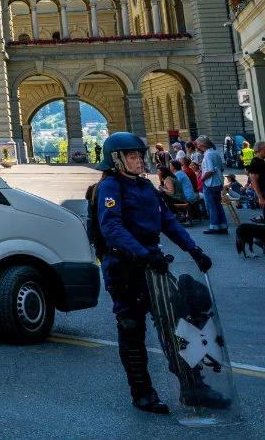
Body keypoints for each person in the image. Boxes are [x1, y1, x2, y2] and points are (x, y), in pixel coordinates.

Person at [91, 132, 216, 415]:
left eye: (139, 155)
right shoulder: (110, 188)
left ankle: (192, 388)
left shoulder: (146, 188)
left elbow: (168, 221)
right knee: (132, 330)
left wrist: (194, 250)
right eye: (132, 156)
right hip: (124, 269)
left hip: (153, 264)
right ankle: (143, 393)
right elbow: (111, 228)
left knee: (177, 328)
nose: (139, 160)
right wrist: (144, 254)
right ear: (117, 160)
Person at [197, 136, 228, 235]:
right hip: (218, 182)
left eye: (198, 143)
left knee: (212, 206)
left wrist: (202, 178)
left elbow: (209, 170)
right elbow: (221, 168)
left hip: (210, 183)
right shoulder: (215, 153)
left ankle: (214, 226)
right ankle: (223, 225)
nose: (197, 145)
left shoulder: (208, 155)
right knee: (218, 205)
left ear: (202, 145)